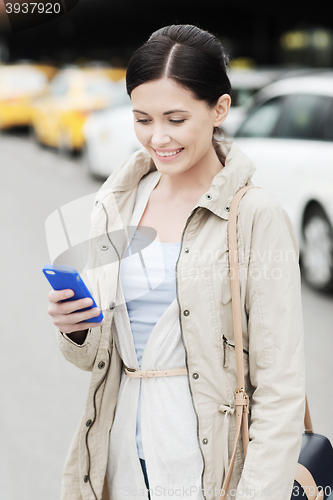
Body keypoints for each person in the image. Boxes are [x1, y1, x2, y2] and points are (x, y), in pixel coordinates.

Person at [47, 24, 306, 500]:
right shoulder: (116, 204)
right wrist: (76, 328)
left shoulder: (254, 216)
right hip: (119, 459)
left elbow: (281, 388)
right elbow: (95, 359)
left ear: (219, 110)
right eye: (142, 119)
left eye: (175, 119)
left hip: (210, 470)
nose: (158, 137)